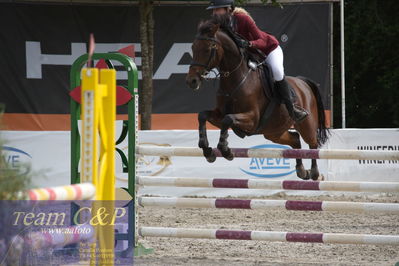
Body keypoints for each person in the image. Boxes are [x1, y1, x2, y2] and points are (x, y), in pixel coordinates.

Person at [206, 0, 308, 123]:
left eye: (217, 9)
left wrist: (249, 43)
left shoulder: (243, 19)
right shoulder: (219, 24)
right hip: (251, 53)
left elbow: (261, 40)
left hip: (268, 49)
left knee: (277, 72)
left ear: (228, 9)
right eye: (213, 10)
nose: (214, 12)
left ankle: (292, 109)